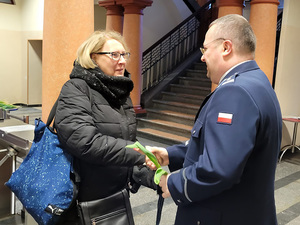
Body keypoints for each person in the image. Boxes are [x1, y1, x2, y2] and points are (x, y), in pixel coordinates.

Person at [145, 14, 282, 225]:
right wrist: (170, 154)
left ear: (226, 48)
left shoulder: (235, 92)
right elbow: (224, 146)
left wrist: (173, 183)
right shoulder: (257, 81)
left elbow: (219, 169)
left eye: (205, 49)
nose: (202, 57)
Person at [54, 30, 155, 224]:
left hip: (117, 196)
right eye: (114, 54)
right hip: (86, 202)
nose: (122, 61)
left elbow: (126, 144)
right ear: (93, 58)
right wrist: (140, 153)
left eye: (124, 54)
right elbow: (85, 142)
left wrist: (153, 177)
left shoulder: (120, 92)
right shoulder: (76, 88)